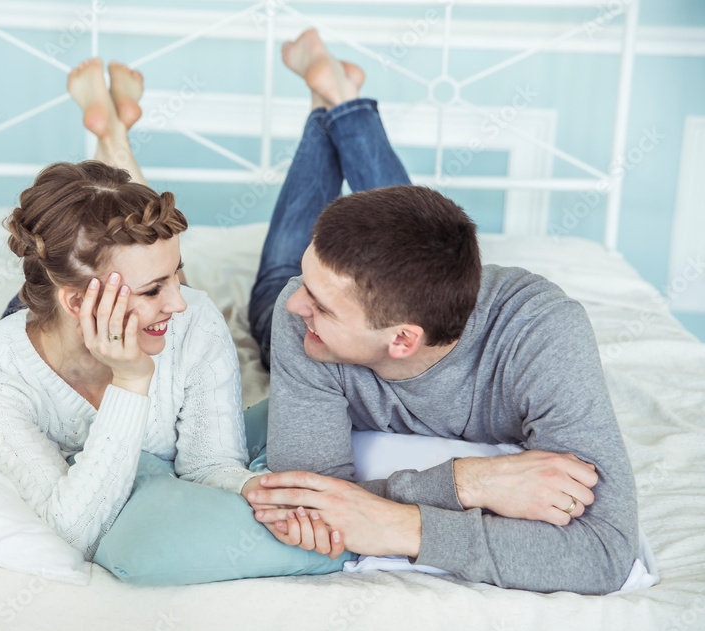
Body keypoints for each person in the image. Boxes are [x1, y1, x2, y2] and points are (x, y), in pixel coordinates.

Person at [243, 29, 639, 594]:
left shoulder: (543, 336)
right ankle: (334, 104)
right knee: (275, 287)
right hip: (374, 308)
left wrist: (401, 525)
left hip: (411, 307)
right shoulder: (296, 317)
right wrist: (466, 483)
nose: (297, 303)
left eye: (321, 304)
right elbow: (311, 504)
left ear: (403, 340)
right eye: (308, 283)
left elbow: (603, 551)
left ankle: (330, 103)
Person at [0, 58, 266, 561]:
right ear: (79, 301)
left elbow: (210, 466)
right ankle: (112, 139)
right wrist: (131, 382)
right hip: (51, 322)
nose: (181, 302)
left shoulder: (195, 320)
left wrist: (261, 494)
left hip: (71, 310)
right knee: (72, 258)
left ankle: (113, 142)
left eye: (177, 274)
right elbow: (74, 531)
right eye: (154, 289)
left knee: (103, 243)